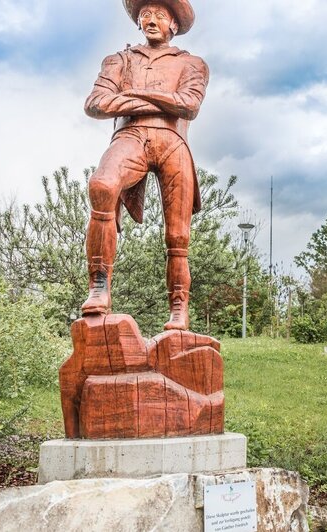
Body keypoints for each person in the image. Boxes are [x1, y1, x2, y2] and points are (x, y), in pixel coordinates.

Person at [81, 0, 208, 331]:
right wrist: (159, 100)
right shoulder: (119, 60)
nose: (151, 20)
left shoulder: (192, 63)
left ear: (173, 25)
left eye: (160, 15)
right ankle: (99, 285)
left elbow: (189, 105)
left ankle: (179, 308)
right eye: (145, 15)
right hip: (130, 136)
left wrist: (132, 95)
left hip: (172, 142)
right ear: (138, 23)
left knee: (178, 234)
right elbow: (96, 104)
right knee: (102, 185)